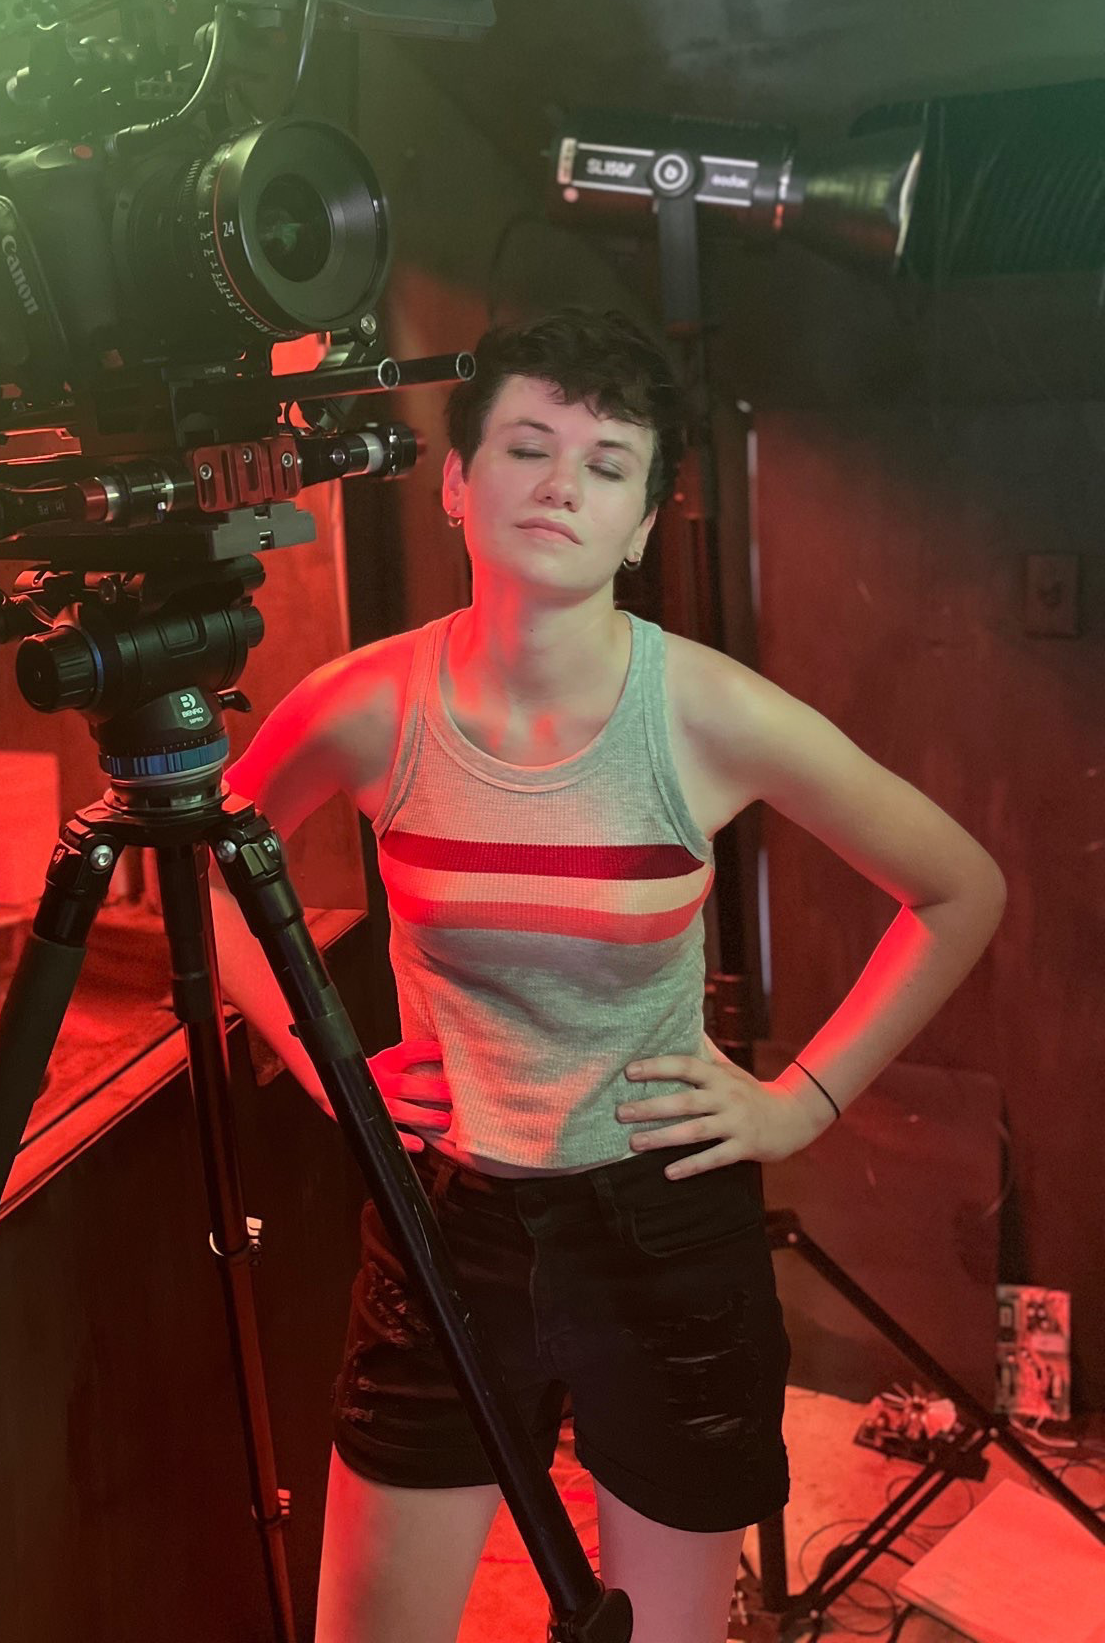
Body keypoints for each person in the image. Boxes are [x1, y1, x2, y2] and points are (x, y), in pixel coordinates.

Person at [218, 308, 1006, 1643]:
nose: (561, 486)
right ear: (458, 481)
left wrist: (802, 1101)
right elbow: (205, 870)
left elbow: (959, 889)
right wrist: (330, 1069)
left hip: (664, 1227)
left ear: (642, 522)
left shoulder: (704, 711)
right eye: (527, 447)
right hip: (446, 1220)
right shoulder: (366, 706)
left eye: (606, 464)